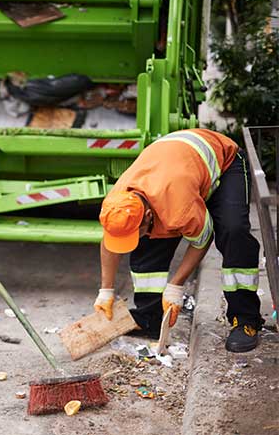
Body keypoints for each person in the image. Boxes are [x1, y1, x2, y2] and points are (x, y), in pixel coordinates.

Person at [94, 128, 263, 352]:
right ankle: (150, 318)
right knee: (146, 239)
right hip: (177, 164)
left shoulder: (178, 208)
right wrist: (106, 291)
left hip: (225, 163)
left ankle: (245, 319)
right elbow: (109, 243)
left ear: (148, 214)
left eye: (140, 226)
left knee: (233, 231)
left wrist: (176, 286)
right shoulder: (119, 202)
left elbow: (202, 239)